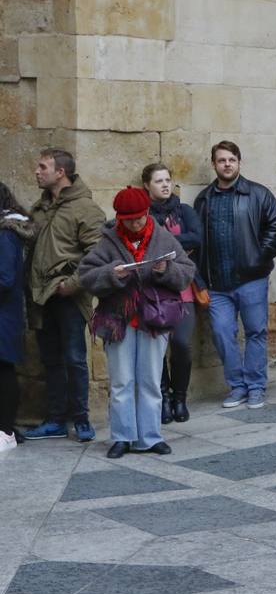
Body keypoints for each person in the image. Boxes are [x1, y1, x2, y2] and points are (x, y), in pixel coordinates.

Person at [78, 187, 196, 459]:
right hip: (119, 320)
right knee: (121, 382)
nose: (135, 223)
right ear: (119, 218)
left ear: (146, 214)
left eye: (140, 218)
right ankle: (122, 437)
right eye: (129, 219)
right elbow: (86, 275)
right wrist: (111, 274)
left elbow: (187, 272)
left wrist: (166, 270)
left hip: (154, 318)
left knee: (150, 381)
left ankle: (151, 437)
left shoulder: (162, 237)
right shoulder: (107, 241)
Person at [194, 141, 276, 411]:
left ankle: (256, 387)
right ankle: (237, 386)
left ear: (239, 162)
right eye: (221, 160)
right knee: (223, 334)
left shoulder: (258, 194)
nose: (227, 164)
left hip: (251, 279)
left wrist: (259, 258)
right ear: (214, 164)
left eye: (231, 159)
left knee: (256, 332)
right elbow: (198, 240)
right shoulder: (204, 199)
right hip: (217, 284)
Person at [24, 148, 104, 443]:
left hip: (68, 297)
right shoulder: (40, 207)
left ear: (61, 173)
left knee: (74, 358)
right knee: (51, 360)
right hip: (40, 296)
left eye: (43, 166)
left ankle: (81, 419)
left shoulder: (85, 208)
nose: (37, 171)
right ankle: (55, 419)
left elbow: (97, 252)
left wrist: (71, 284)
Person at [143, 163, 202, 426]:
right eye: (159, 181)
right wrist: (179, 247)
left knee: (181, 345)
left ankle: (180, 397)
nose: (165, 185)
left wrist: (164, 242)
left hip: (183, 289)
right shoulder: (143, 216)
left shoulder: (185, 211)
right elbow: (145, 246)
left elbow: (197, 238)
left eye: (168, 180)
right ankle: (164, 399)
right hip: (153, 292)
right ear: (147, 186)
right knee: (157, 347)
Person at [0, 181, 33, 453]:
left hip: (3, 316)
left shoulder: (6, 234)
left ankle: (6, 430)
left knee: (4, 370)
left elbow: (5, 278)